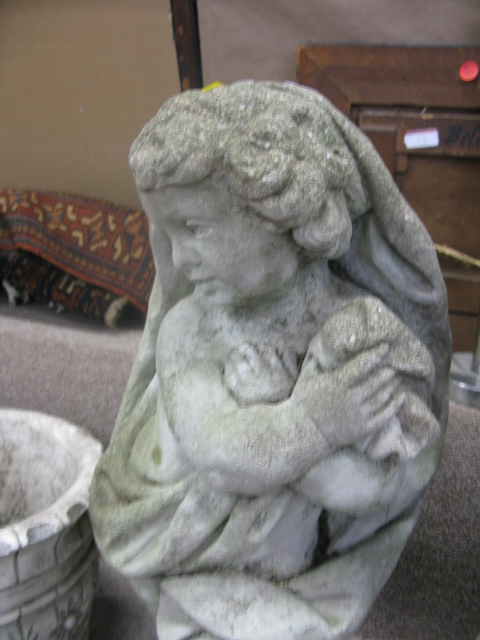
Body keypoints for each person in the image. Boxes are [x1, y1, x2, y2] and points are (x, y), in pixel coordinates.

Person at [89, 81, 451, 639]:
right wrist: (314, 421)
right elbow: (219, 455)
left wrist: (286, 424)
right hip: (190, 551)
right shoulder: (191, 330)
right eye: (167, 231)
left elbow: (373, 492)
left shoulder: (359, 332)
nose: (179, 257)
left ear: (283, 215)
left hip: (289, 575)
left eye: (195, 228)